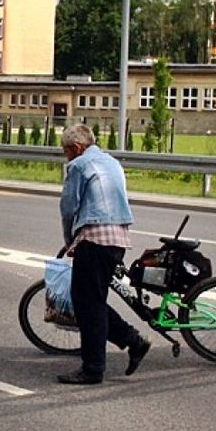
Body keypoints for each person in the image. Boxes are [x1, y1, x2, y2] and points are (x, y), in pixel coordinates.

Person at [56, 123, 150, 384]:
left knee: (86, 305)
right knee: (92, 300)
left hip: (95, 238)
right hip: (118, 239)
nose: (66, 156)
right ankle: (132, 340)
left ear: (76, 148)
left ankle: (93, 368)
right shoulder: (111, 162)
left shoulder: (79, 165)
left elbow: (68, 207)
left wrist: (69, 240)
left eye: (66, 151)